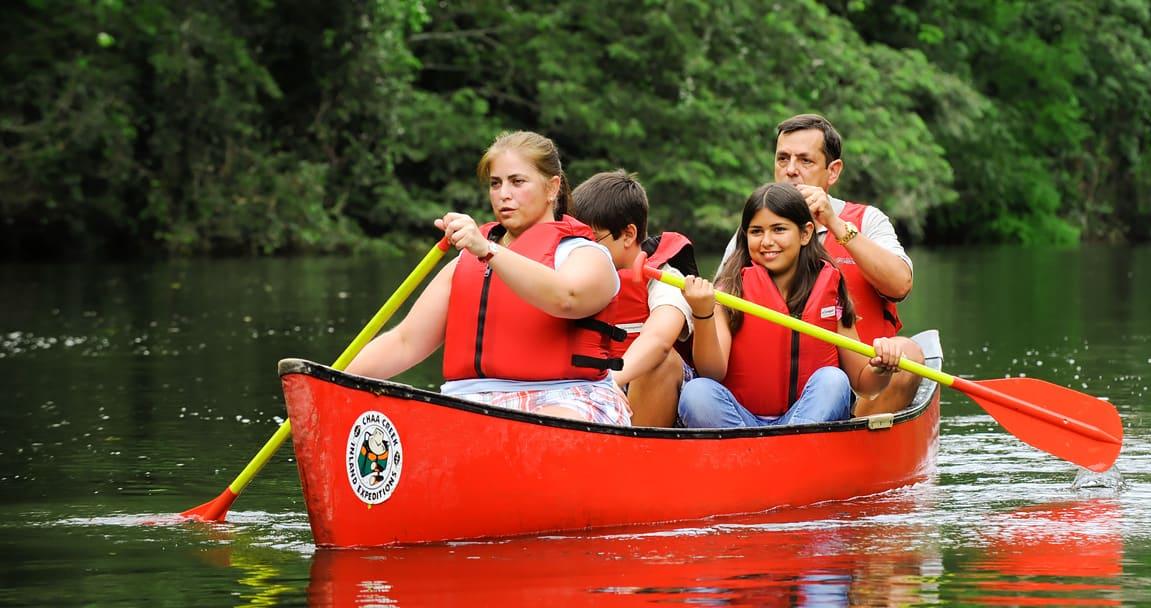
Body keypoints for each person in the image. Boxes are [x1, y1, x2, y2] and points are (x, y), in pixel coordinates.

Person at [345, 131, 632, 426]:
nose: (503, 194)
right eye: (496, 183)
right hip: (469, 403)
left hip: (564, 399)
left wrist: (487, 251)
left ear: (552, 188)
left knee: (532, 427)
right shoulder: (465, 264)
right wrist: (327, 381)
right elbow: (405, 342)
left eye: (517, 182)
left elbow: (567, 298)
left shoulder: (585, 255)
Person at [723, 114, 925, 417]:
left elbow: (900, 284)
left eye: (805, 161)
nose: (790, 170)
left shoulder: (867, 220)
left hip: (863, 384)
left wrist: (833, 222)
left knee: (909, 352)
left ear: (833, 172)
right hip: (775, 392)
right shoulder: (755, 235)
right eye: (782, 159)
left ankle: (854, 435)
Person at [679, 182, 902, 428]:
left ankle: (784, 448)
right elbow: (712, 372)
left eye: (779, 229)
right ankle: (762, 451)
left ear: (805, 233)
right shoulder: (729, 291)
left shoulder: (830, 289)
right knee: (696, 392)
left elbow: (863, 384)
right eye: (756, 231)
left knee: (834, 380)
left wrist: (881, 368)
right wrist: (702, 314)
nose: (766, 241)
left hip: (806, 420)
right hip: (741, 425)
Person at [569, 169, 699, 427]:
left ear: (628, 234)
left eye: (591, 240)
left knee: (661, 362)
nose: (579, 250)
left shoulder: (665, 277)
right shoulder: (571, 276)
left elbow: (659, 339)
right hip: (587, 386)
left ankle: (640, 456)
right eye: (574, 240)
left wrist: (608, 383)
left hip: (639, 384)